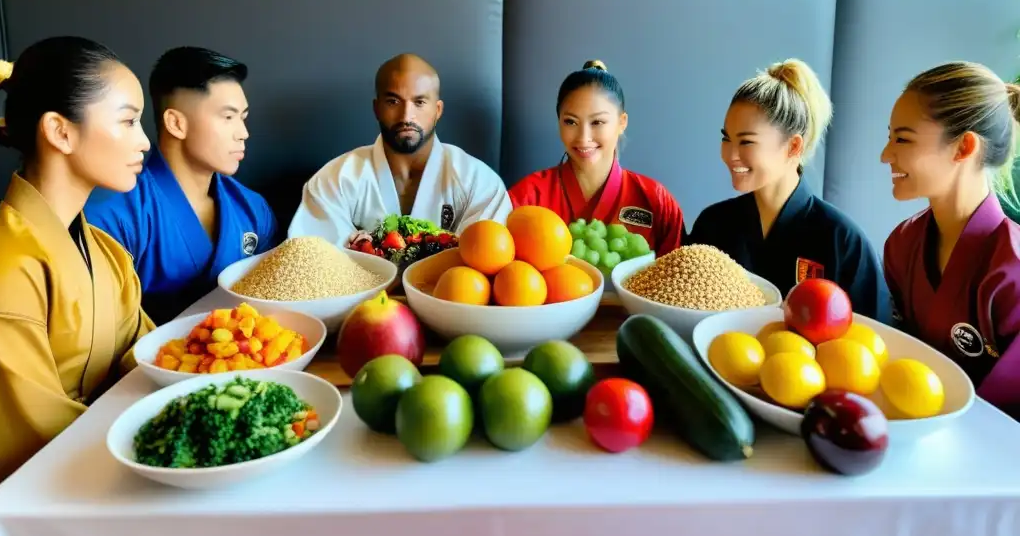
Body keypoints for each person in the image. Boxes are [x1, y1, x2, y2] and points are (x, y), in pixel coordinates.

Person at [0, 36, 155, 484]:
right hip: (45, 490)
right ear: (60, 131)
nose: (144, 141)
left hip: (102, 457)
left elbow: (148, 359)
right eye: (128, 122)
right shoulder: (7, 267)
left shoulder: (105, 251)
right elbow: (29, 431)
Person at [85, 47, 278, 325]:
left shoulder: (252, 208)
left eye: (243, 117)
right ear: (176, 123)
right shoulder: (115, 215)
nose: (243, 133)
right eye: (228, 117)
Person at [688, 59, 889, 321]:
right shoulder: (712, 225)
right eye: (726, 138)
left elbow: (875, 339)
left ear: (794, 146)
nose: (731, 154)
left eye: (746, 141)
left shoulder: (842, 240)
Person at [882, 61, 1020, 419]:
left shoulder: (1013, 271)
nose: (885, 155)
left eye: (902, 138)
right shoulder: (902, 243)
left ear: (963, 147)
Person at [289, 53, 512, 244]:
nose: (407, 116)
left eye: (419, 102)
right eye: (393, 101)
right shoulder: (336, 179)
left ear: (438, 110)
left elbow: (486, 259)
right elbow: (313, 259)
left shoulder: (477, 181)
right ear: (377, 108)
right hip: (362, 295)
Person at [508, 60, 685, 254]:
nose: (584, 138)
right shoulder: (528, 197)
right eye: (571, 122)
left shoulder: (656, 201)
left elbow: (677, 278)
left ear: (621, 122)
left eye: (597, 122)